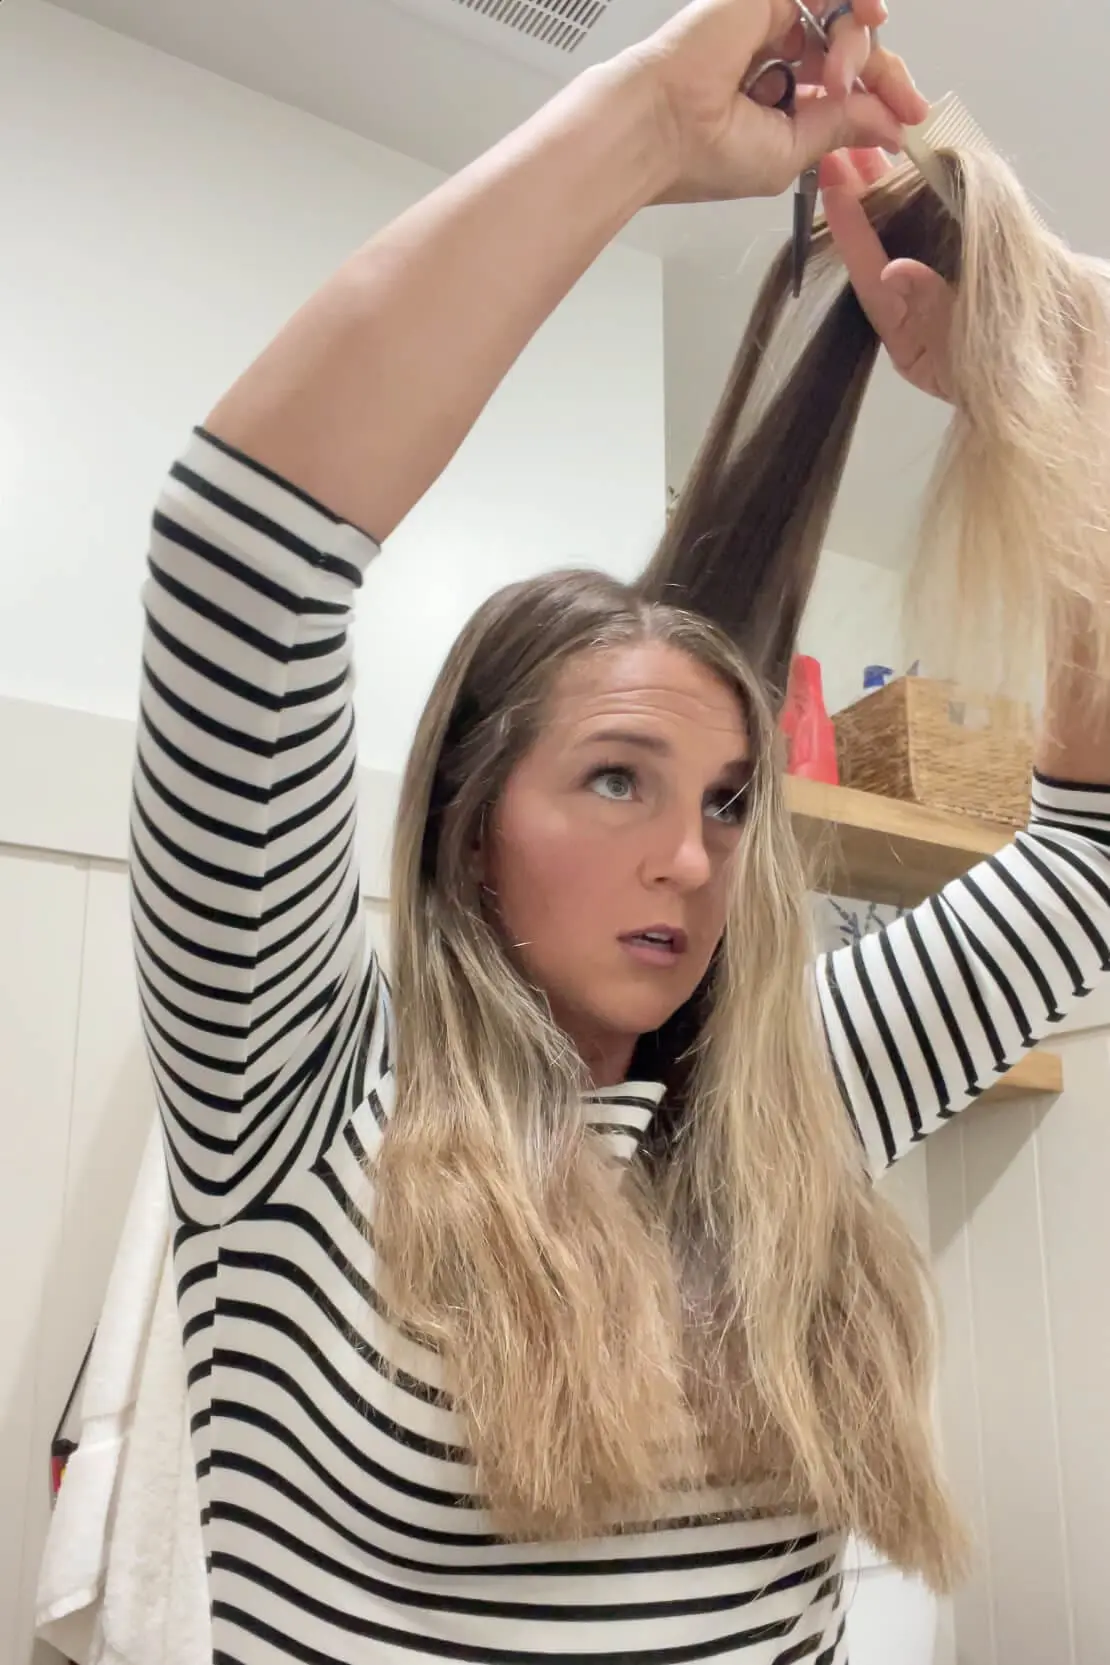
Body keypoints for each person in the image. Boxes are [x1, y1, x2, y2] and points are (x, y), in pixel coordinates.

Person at [128, 1, 1110, 1660]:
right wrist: (652, 118)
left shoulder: (788, 1103)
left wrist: (1050, 403)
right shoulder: (285, 1097)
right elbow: (240, 565)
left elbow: (1087, 859)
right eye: (614, 781)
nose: (692, 858)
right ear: (461, 826)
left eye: (731, 800)